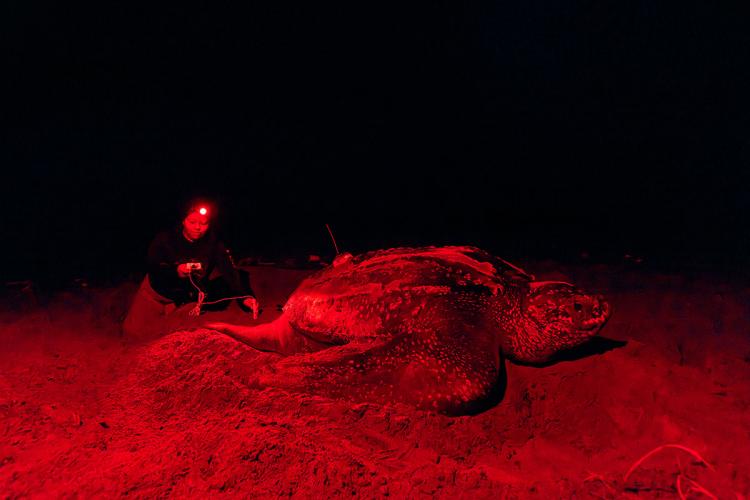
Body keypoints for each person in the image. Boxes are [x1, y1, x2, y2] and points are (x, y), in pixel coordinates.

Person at [122, 200, 259, 338]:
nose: (198, 227)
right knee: (132, 334)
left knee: (174, 336)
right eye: (192, 222)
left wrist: (245, 297)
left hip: (182, 300)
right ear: (183, 221)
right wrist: (175, 271)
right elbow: (153, 266)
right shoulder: (166, 239)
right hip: (154, 295)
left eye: (203, 223)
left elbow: (230, 272)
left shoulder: (213, 244)